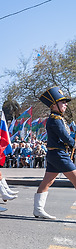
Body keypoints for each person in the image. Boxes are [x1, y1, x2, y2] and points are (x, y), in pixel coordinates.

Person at [33, 87, 76, 219]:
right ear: (53, 105)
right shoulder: (55, 120)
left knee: (47, 182)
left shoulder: (57, 118)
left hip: (55, 154)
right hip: (59, 155)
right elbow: (64, 137)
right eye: (62, 102)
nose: (65, 104)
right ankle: (38, 209)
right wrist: (73, 142)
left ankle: (38, 210)